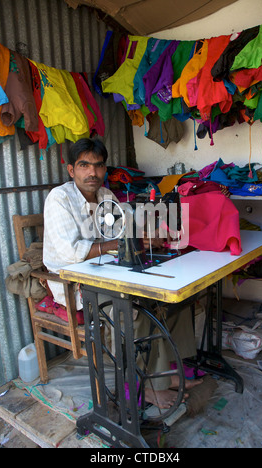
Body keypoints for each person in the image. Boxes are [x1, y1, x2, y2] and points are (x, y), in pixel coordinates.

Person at [43, 137, 202, 409]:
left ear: (105, 169)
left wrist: (145, 237)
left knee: (170, 297)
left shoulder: (107, 197)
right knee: (134, 306)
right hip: (73, 282)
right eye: (84, 165)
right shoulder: (59, 199)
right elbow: (72, 251)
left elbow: (122, 233)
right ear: (71, 170)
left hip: (105, 270)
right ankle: (139, 386)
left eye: (98, 165)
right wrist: (126, 243)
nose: (92, 172)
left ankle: (166, 372)